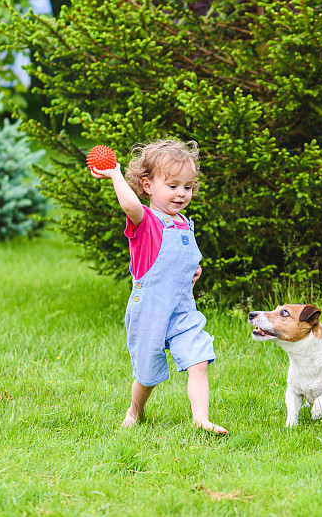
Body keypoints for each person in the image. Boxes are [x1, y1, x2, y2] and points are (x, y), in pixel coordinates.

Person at [90, 139, 226, 435]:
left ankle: (200, 419)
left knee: (198, 360)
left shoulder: (185, 225)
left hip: (182, 309)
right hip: (150, 310)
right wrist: (114, 174)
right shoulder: (146, 222)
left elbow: (182, 263)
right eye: (173, 185)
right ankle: (135, 411)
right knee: (148, 375)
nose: (182, 193)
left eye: (187, 187)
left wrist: (194, 272)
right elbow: (129, 204)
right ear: (148, 185)